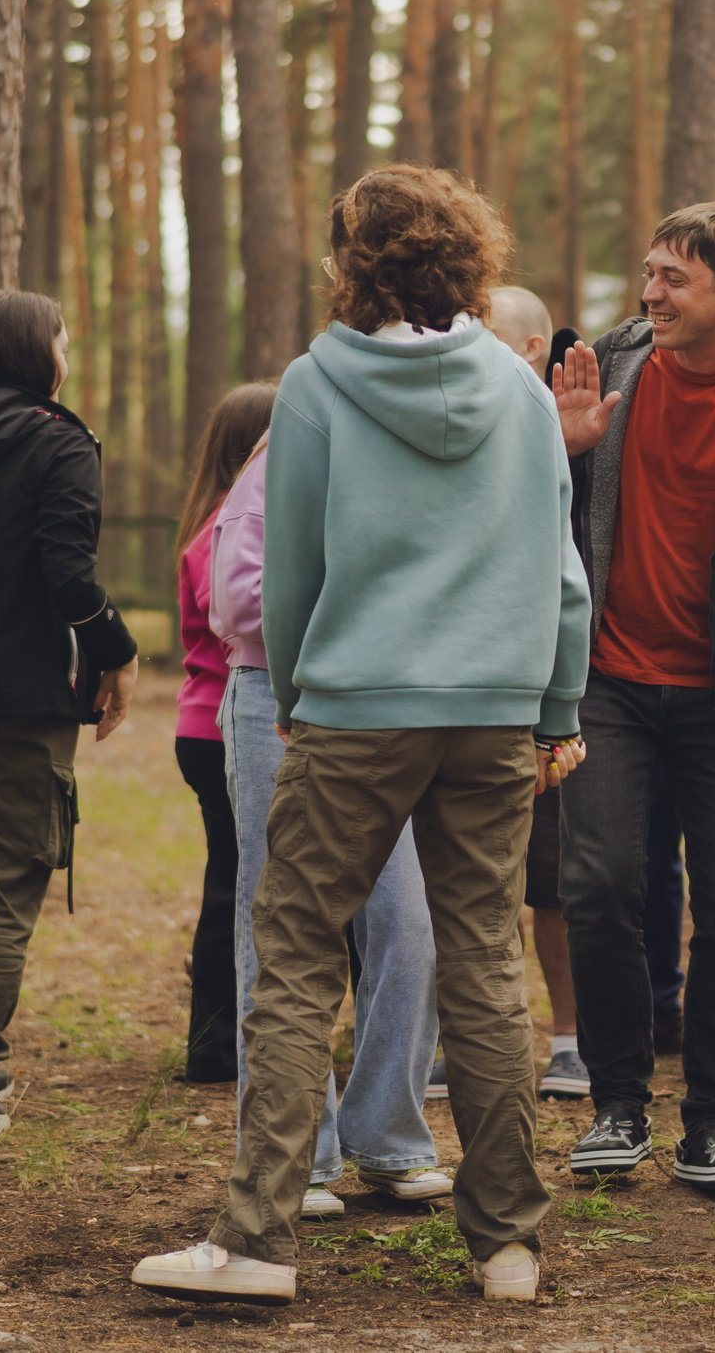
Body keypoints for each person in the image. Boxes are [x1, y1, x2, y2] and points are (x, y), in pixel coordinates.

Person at [131, 164, 591, 1306]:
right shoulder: (520, 387)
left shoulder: (317, 382)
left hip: (355, 706)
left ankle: (257, 1238)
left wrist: (295, 689)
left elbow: (290, 566)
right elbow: (563, 570)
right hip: (493, 711)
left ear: (353, 264)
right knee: (485, 962)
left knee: (295, 954)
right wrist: (556, 709)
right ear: (466, 256)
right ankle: (507, 1246)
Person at [547, 201, 715, 1199]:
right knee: (599, 884)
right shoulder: (613, 361)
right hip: (610, 681)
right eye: (649, 272)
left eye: (674, 278)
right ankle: (618, 1105)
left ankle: (711, 1121)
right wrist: (564, 447)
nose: (650, 293)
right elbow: (537, 503)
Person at [209, 384, 450, 1211]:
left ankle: (388, 1134)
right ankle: (295, 1155)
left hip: (388, 709)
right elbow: (237, 598)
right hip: (275, 694)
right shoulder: (285, 452)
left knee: (408, 922)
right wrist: (359, 612)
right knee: (280, 926)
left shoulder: (413, 456)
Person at [0, 290, 143, 1141]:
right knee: (4, 889)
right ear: (35, 353)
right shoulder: (59, 439)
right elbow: (68, 570)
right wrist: (119, 650)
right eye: (62, 342)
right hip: (24, 698)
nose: (67, 357)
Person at [487, 286, 588, 1100]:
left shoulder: (576, 430)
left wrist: (562, 715)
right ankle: (461, 1038)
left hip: (549, 691)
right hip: (465, 693)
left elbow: (571, 579)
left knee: (554, 878)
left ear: (529, 348)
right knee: (468, 883)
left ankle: (570, 1038)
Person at [175, 381, 278, 1087]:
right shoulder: (229, 527)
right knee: (237, 883)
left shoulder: (213, 520)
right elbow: (234, 616)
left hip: (208, 727)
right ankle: (215, 1044)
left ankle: (219, 1041)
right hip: (223, 726)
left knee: (234, 878)